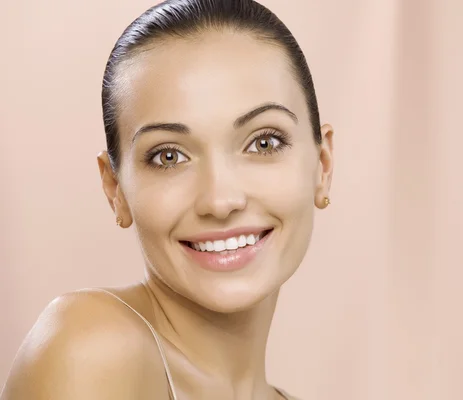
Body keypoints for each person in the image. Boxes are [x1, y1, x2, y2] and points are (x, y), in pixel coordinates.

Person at [0, 0, 334, 399]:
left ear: (323, 165)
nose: (220, 199)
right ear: (115, 189)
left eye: (263, 143)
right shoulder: (92, 349)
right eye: (169, 156)